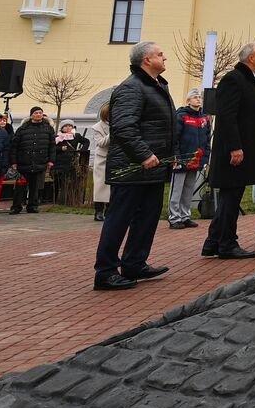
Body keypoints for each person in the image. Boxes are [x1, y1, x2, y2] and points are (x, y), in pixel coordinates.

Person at [94, 41, 175, 291]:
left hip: (153, 167)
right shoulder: (131, 88)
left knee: (147, 218)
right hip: (133, 167)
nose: (165, 57)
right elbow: (123, 128)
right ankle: (106, 272)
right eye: (160, 54)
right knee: (119, 219)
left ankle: (134, 263)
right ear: (146, 60)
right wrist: (143, 155)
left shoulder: (157, 86)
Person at [203, 43, 255, 259]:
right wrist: (234, 147)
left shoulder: (252, 81)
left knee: (230, 197)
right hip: (233, 151)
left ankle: (213, 242)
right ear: (250, 58)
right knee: (230, 197)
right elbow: (227, 116)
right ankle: (227, 244)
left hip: (242, 149)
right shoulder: (234, 79)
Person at [168, 91, 210, 230]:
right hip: (182, 159)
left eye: (199, 97)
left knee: (188, 189)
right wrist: (177, 156)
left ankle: (185, 216)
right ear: (188, 101)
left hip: (196, 160)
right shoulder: (181, 116)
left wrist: (205, 157)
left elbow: (207, 140)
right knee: (177, 189)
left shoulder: (205, 118)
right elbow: (175, 138)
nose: (198, 100)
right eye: (194, 97)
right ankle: (174, 217)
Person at [9, 107, 55, 214]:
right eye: (36, 113)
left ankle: (33, 206)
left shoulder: (48, 129)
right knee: (20, 186)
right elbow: (15, 146)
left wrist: (51, 160)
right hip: (24, 161)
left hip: (40, 161)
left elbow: (52, 146)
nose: (38, 115)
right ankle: (16, 206)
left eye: (40, 113)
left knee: (35, 186)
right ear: (31, 115)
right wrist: (14, 162)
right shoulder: (23, 129)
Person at [52, 119, 89, 206]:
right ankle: (57, 201)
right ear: (62, 128)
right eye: (66, 126)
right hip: (59, 163)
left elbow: (86, 141)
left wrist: (81, 151)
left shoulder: (76, 136)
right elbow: (52, 148)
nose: (68, 128)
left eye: (70, 126)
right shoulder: (56, 137)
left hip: (71, 163)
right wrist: (60, 149)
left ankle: (69, 200)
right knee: (59, 182)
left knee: (70, 181)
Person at [90, 103, 111, 221]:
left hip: (115, 157)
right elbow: (101, 143)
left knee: (112, 186)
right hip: (102, 158)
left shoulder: (119, 124)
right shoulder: (97, 127)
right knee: (100, 186)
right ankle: (98, 210)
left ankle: (109, 210)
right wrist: (112, 133)